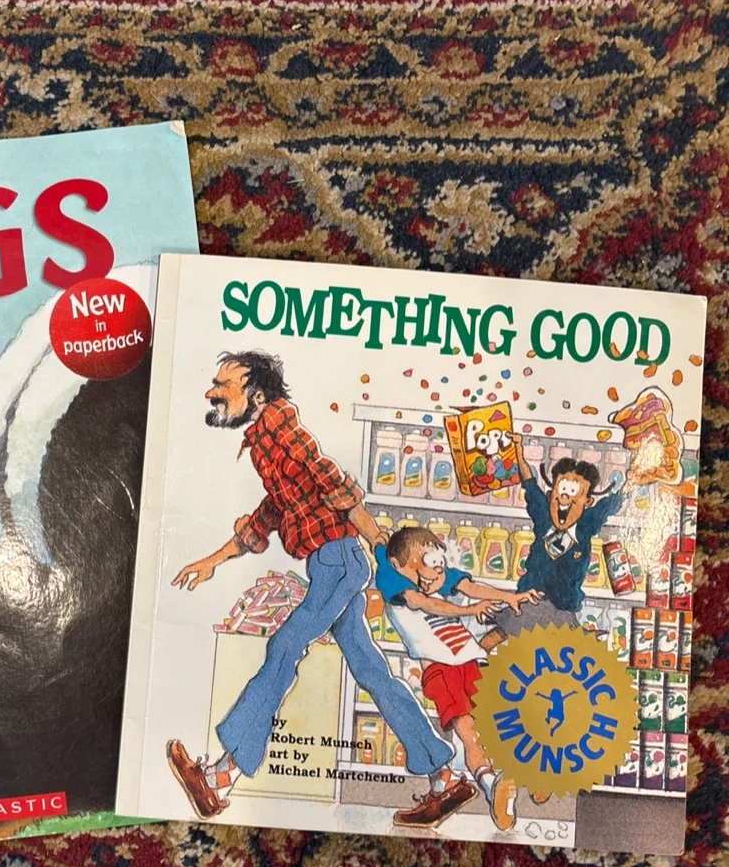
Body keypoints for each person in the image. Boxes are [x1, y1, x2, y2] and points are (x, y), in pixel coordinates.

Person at [165, 351, 464, 825]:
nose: (212, 392)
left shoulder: (284, 434)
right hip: (331, 565)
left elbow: (336, 486)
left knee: (284, 648)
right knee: (372, 671)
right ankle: (444, 776)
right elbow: (268, 515)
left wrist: (382, 545)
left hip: (339, 563)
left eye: (224, 385)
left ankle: (221, 777)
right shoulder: (265, 444)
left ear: (256, 396)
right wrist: (213, 562)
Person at [375, 525, 543, 831]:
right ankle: (492, 788)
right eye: (424, 565)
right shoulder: (395, 584)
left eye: (438, 565)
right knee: (468, 731)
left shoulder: (437, 576)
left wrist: (509, 597)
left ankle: (529, 774)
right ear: (400, 566)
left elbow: (470, 585)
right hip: (441, 670)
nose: (435, 574)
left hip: (472, 660)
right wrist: (470, 611)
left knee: (501, 718)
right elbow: (426, 603)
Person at [479, 433, 625, 651]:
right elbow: (530, 484)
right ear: (550, 495)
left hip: (562, 608)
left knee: (559, 651)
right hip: (531, 601)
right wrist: (518, 451)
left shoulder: (586, 524)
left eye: (574, 493)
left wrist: (636, 476)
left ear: (587, 502)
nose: (565, 497)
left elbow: (613, 502)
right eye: (561, 490)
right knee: (496, 637)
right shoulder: (544, 516)